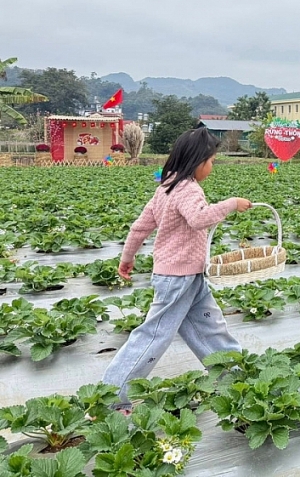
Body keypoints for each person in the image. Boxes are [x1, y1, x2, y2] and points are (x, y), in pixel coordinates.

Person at [102, 127, 252, 411]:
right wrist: (231, 204)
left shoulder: (165, 188)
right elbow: (198, 219)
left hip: (189, 276)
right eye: (211, 161)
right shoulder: (187, 189)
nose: (212, 167)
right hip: (176, 279)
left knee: (210, 327)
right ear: (197, 161)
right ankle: (111, 397)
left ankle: (237, 378)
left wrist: (126, 258)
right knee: (154, 336)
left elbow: (139, 227)